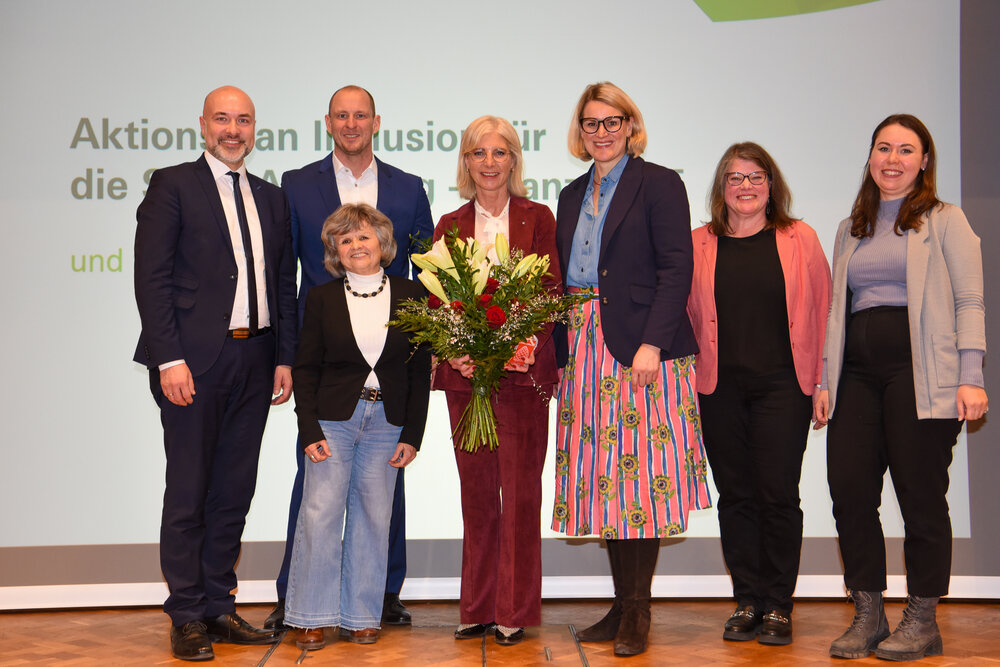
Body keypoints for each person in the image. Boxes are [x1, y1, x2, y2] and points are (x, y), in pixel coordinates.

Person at [133, 85, 296, 661]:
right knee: (189, 490)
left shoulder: (272, 198)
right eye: (222, 119)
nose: (233, 129)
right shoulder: (173, 184)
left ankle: (218, 606)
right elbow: (151, 279)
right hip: (192, 363)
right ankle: (186, 613)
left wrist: (285, 356)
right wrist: (168, 359)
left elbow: (282, 283)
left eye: (243, 120)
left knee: (233, 491)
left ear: (255, 129)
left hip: (257, 359)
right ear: (203, 126)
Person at [817, 114, 988, 661]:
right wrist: (824, 379)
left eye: (906, 150)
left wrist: (971, 377)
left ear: (924, 161)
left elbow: (970, 301)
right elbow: (835, 311)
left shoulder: (945, 220)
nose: (893, 159)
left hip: (924, 375)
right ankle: (868, 614)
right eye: (883, 148)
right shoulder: (851, 227)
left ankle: (922, 619)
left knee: (920, 496)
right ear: (870, 157)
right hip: (856, 377)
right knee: (849, 490)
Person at [551, 82, 713, 657]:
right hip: (585, 345)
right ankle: (621, 606)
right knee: (607, 481)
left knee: (640, 481)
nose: (601, 132)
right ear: (580, 130)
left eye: (611, 121)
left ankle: (639, 612)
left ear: (630, 126)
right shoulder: (571, 193)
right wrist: (559, 352)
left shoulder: (660, 183)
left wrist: (652, 343)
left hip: (642, 350)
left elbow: (677, 268)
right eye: (590, 123)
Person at [266, 85, 434, 630]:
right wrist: (286, 354)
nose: (352, 124)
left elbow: (429, 272)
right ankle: (298, 600)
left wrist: (434, 348)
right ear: (328, 122)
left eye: (361, 115)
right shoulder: (296, 184)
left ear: (376, 122)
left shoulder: (409, 186)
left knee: (383, 496)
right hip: (327, 364)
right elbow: (284, 274)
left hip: (391, 367)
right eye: (342, 115)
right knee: (315, 494)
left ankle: (379, 597)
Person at [686, 142, 831, 646]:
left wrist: (823, 382)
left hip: (783, 389)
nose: (745, 186)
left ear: (771, 185)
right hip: (718, 389)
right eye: (735, 178)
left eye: (755, 177)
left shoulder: (800, 238)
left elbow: (826, 312)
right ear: (721, 188)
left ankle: (778, 605)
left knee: (778, 495)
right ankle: (747, 600)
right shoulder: (698, 243)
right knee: (736, 496)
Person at [432, 115, 561, 647]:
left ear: (513, 160)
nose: (489, 162)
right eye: (478, 153)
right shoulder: (449, 224)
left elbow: (551, 291)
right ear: (466, 161)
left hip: (522, 378)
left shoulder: (539, 217)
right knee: (478, 495)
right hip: (467, 381)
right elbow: (439, 300)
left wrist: (521, 347)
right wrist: (458, 352)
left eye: (499, 152)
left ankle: (513, 609)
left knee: (521, 496)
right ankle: (478, 605)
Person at [284, 203, 431, 650]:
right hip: (333, 421)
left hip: (388, 422)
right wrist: (308, 428)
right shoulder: (321, 298)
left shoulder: (412, 294)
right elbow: (305, 368)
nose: (355, 245)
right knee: (320, 515)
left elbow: (418, 370)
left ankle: (361, 616)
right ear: (335, 251)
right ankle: (310, 616)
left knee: (374, 517)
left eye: (363, 236)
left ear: (382, 243)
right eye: (345, 240)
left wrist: (413, 435)